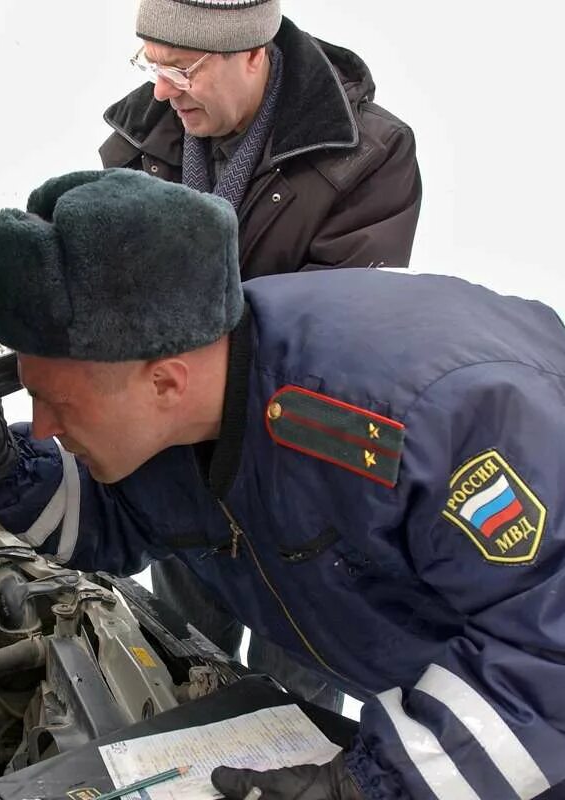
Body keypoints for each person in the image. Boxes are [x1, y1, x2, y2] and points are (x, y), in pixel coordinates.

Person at [0, 169, 565, 800]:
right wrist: (4, 467)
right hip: (458, 700)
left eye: (55, 403)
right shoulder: (186, 395)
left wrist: (365, 785)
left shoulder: (427, 414)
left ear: (164, 380)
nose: (41, 423)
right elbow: (118, 526)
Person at [99, 0, 423, 710]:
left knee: (295, 704)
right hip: (182, 469)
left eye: (181, 69)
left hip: (302, 488)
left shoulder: (368, 155)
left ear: (253, 53)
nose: (160, 91)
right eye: (149, 65)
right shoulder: (138, 141)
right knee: (179, 672)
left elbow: (336, 336)